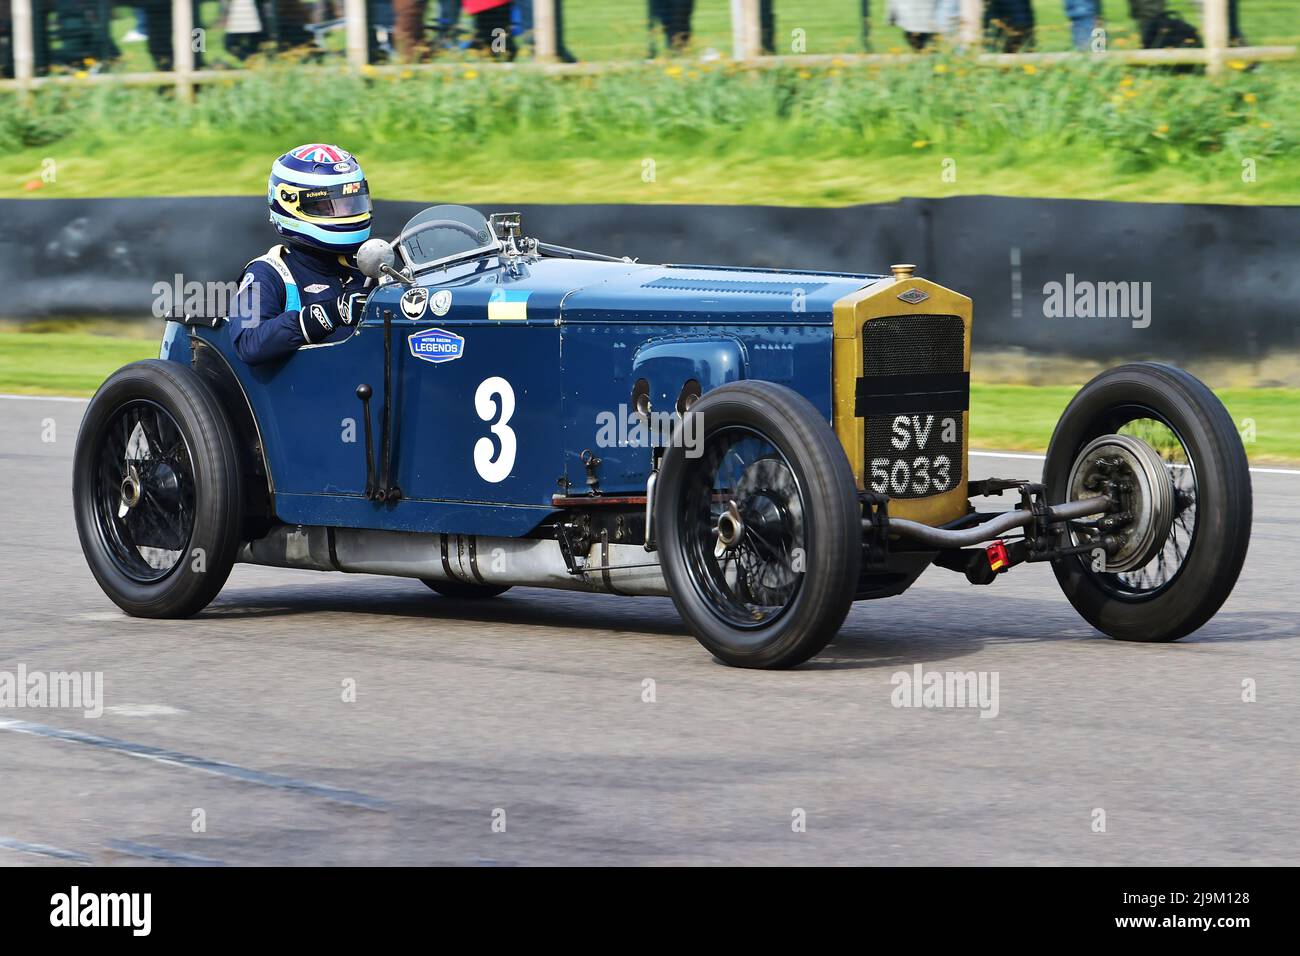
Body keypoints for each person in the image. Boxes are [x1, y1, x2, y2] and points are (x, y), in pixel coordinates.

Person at [230, 144, 373, 366]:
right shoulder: (267, 273)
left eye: (350, 202)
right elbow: (249, 344)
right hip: (311, 394)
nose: (346, 213)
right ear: (291, 204)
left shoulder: (372, 265)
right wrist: (329, 314)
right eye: (329, 206)